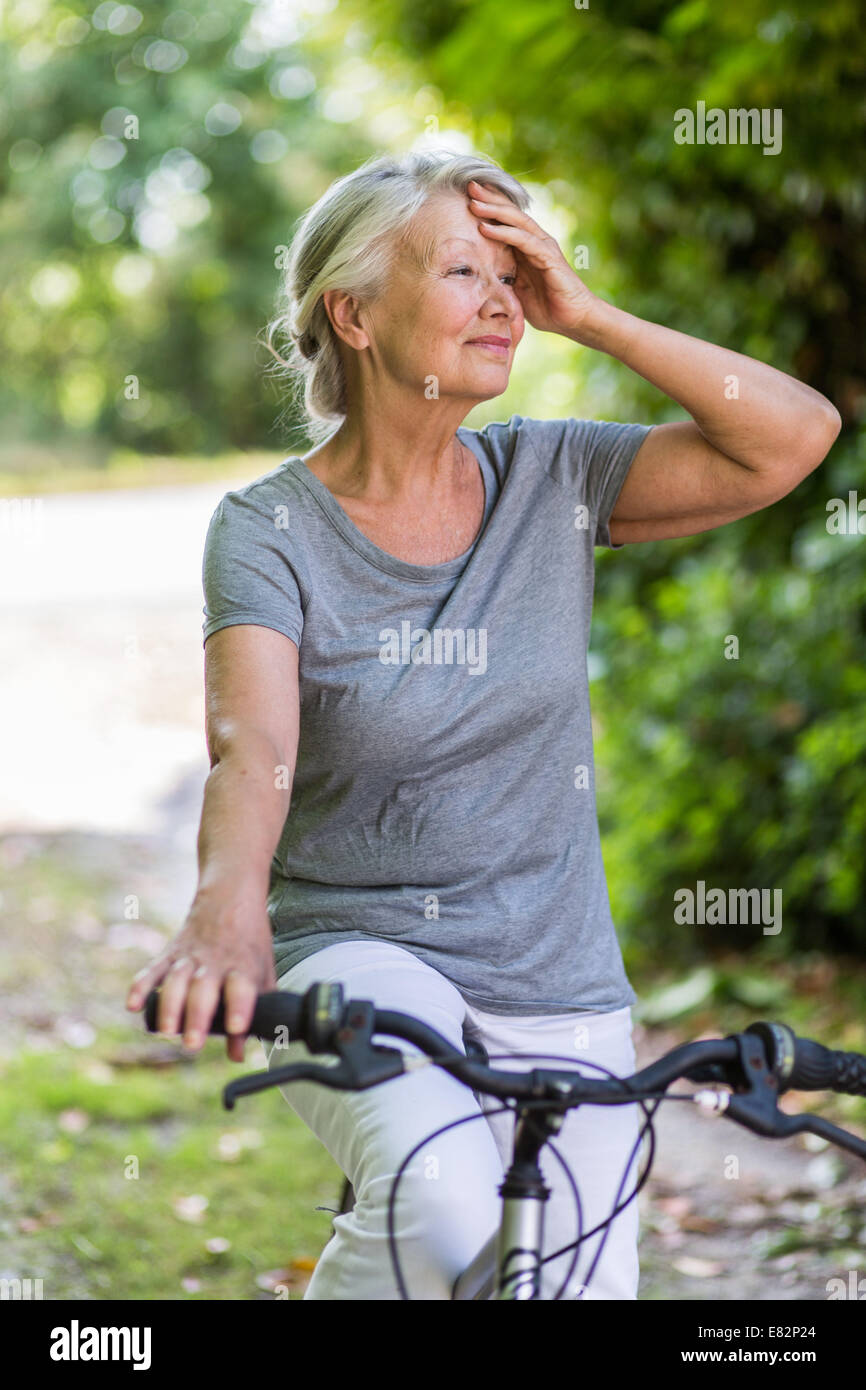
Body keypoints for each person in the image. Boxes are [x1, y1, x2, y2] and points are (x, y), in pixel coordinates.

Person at [126, 148, 841, 1300]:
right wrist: (224, 915)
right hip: (354, 954)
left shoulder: (551, 477)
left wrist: (591, 314)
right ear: (352, 314)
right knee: (442, 1197)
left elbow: (792, 439)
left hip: (558, 981)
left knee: (566, 1285)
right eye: (464, 270)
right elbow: (251, 745)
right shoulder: (267, 528)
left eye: (515, 272)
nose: (505, 299)